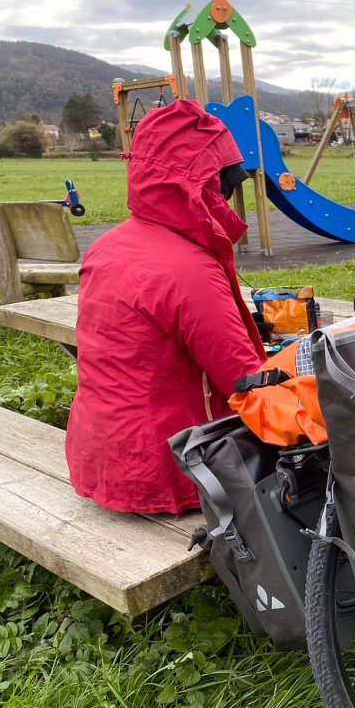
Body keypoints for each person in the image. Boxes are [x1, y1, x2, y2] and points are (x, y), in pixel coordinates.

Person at [66, 100, 266, 514]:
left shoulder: (106, 246)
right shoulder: (188, 268)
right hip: (170, 471)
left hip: (97, 458)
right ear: (207, 185)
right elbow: (245, 382)